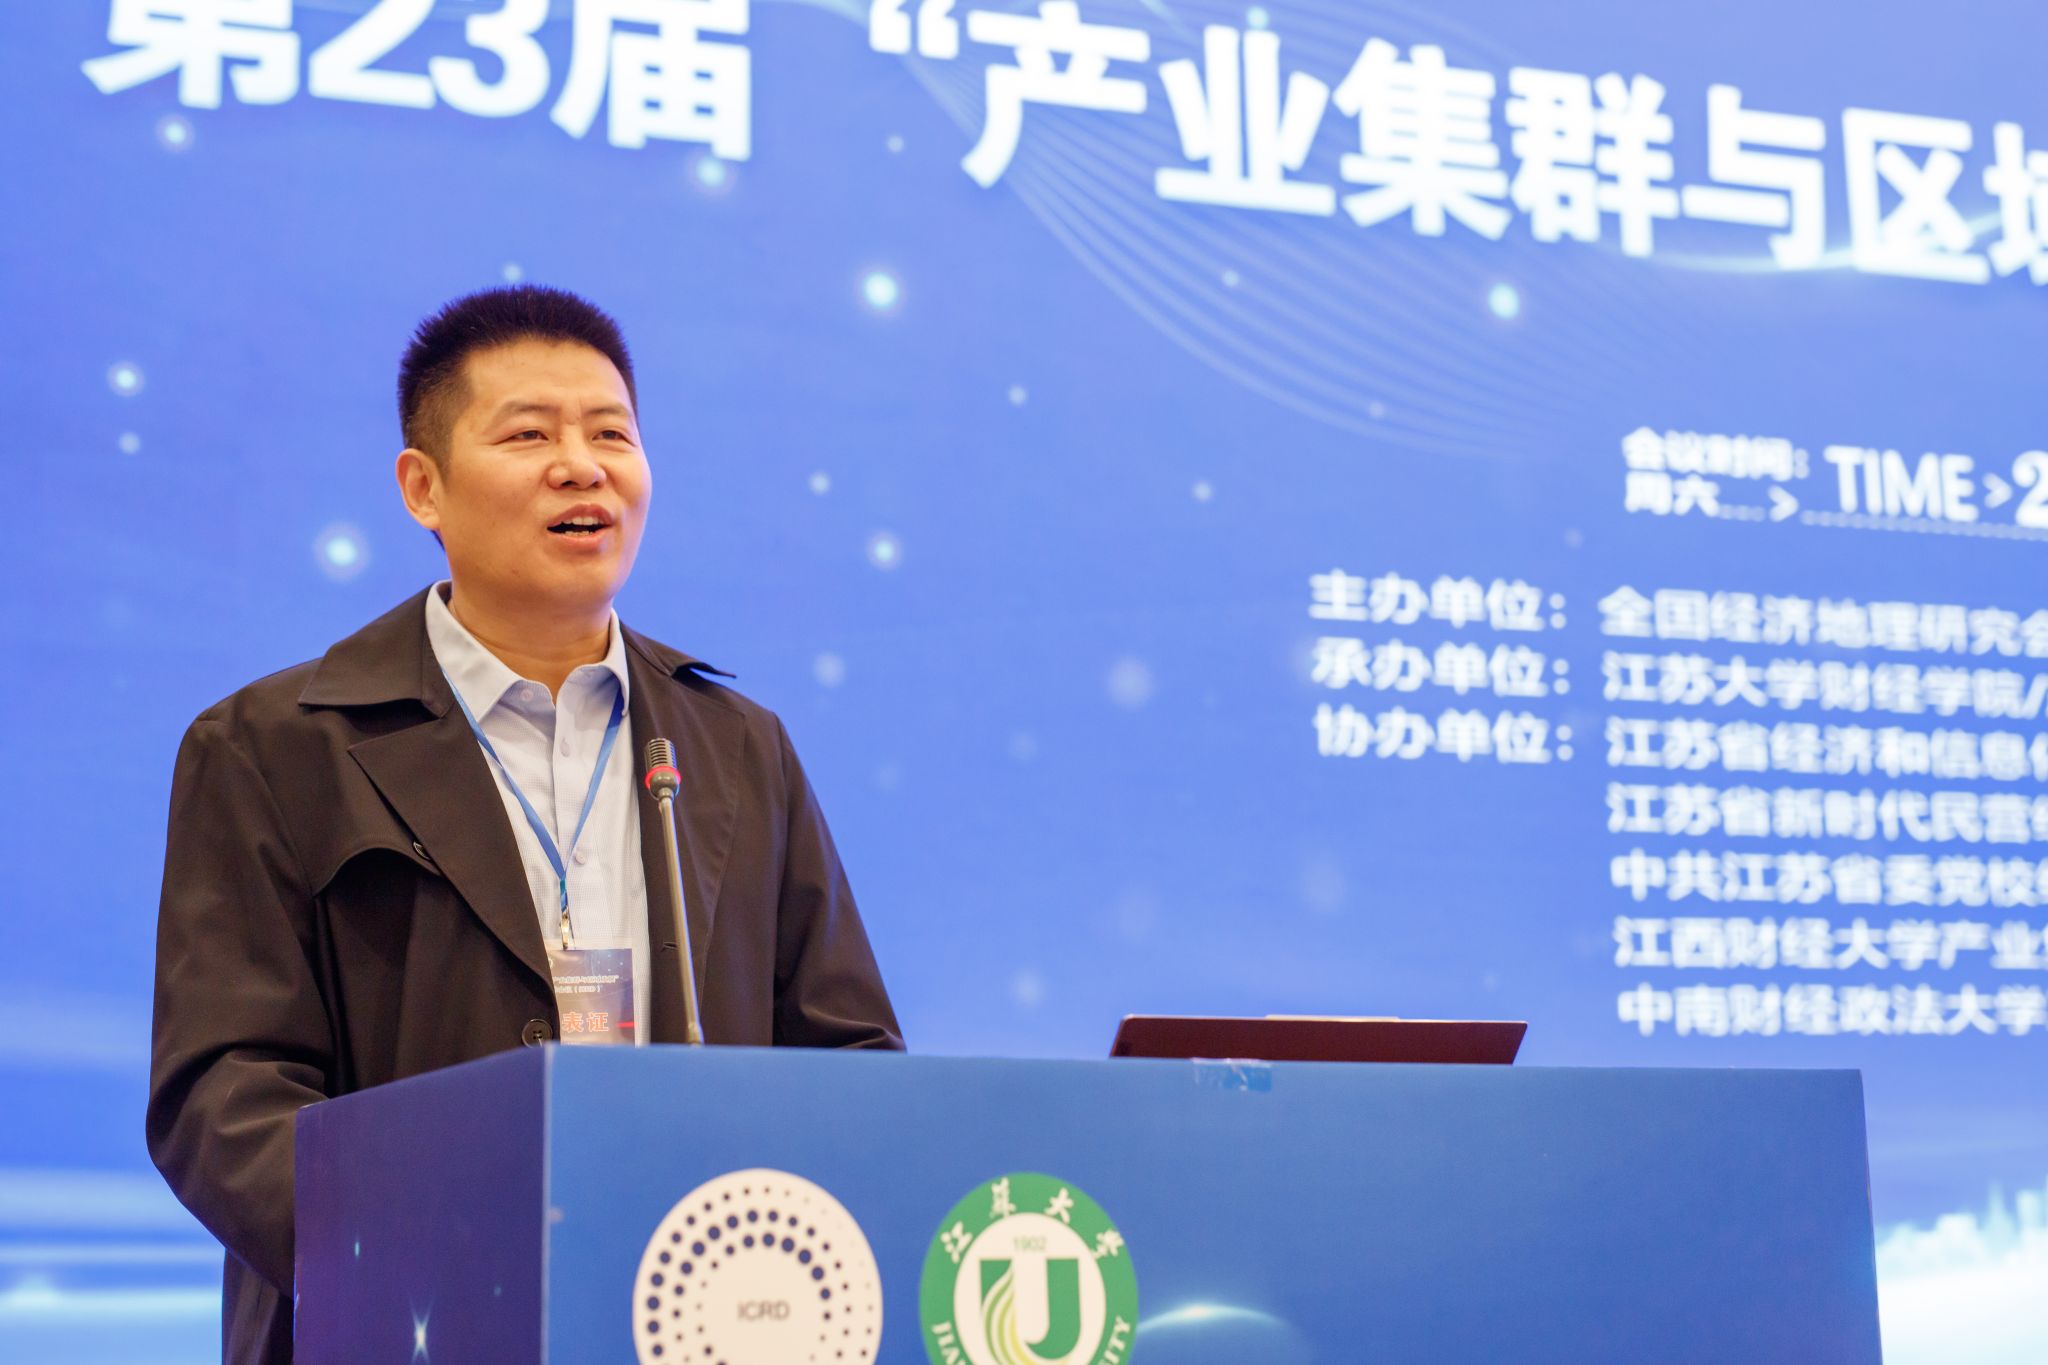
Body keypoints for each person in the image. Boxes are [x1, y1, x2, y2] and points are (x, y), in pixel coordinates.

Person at [147, 285, 902, 1364]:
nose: (582, 467)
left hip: (693, 1320)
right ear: (423, 487)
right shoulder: (274, 747)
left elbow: (848, 1055)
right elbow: (223, 1094)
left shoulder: (736, 746)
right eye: (529, 435)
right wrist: (428, 1263)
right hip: (407, 1329)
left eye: (611, 434)